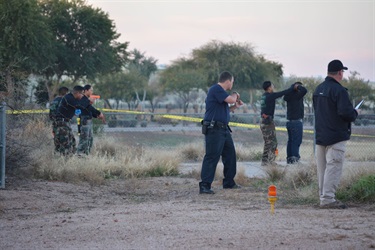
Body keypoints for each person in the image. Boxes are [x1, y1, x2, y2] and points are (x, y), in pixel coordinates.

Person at [313, 59, 358, 209]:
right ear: (340, 73)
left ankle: (323, 197)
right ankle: (328, 199)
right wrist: (355, 113)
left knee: (322, 169)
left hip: (320, 136)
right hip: (336, 136)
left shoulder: (318, 89)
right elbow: (346, 113)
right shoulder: (339, 91)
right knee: (334, 167)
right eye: (342, 72)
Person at [199, 71, 244, 194]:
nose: (232, 85)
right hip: (214, 129)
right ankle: (205, 185)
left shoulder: (221, 94)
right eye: (232, 82)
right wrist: (235, 95)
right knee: (212, 156)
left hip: (224, 129)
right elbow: (230, 99)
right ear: (228, 81)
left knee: (230, 155)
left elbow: (226, 109)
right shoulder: (216, 89)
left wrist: (236, 106)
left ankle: (229, 182)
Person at [260, 81, 298, 166]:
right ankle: (270, 161)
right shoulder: (270, 96)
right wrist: (293, 88)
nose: (273, 87)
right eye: (272, 85)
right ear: (269, 87)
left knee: (268, 142)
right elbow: (282, 93)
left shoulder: (264, 96)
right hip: (267, 122)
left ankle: (265, 161)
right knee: (272, 142)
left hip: (264, 121)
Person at [54, 85, 89, 156]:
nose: (82, 96)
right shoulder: (69, 98)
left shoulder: (73, 99)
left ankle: (69, 159)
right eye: (82, 94)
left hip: (66, 122)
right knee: (65, 144)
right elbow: (79, 106)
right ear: (78, 93)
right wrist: (87, 100)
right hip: (61, 123)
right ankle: (63, 160)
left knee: (72, 142)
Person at [76, 84, 105, 155]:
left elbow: (89, 110)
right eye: (91, 90)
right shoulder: (83, 99)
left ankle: (86, 155)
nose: (92, 92)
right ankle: (79, 155)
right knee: (84, 140)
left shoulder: (87, 100)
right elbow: (85, 107)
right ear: (86, 91)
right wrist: (98, 113)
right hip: (84, 121)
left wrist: (96, 115)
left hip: (88, 121)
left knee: (89, 140)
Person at [283, 82, 307, 164]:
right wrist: (297, 86)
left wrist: (293, 87)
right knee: (296, 141)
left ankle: (289, 158)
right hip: (296, 122)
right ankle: (295, 158)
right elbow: (304, 90)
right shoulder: (296, 96)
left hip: (289, 122)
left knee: (291, 141)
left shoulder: (288, 96)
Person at [49, 86, 69, 152]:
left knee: (57, 140)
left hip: (55, 123)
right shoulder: (64, 101)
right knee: (64, 141)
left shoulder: (54, 100)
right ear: (65, 93)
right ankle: (63, 156)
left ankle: (57, 155)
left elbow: (51, 113)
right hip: (63, 123)